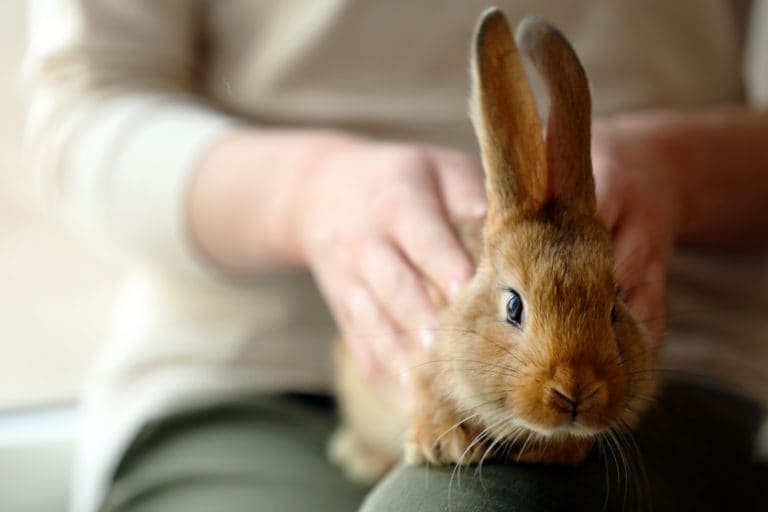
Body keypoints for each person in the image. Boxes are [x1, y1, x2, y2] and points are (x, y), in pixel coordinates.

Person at [23, 0, 768, 511]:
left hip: (679, 366)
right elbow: (80, 113)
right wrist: (307, 194)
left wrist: (676, 173)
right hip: (245, 368)